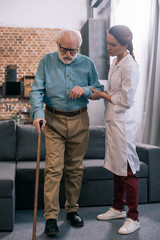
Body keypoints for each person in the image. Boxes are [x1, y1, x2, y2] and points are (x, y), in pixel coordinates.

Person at [29, 28, 104, 236]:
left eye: (74, 50)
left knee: (75, 169)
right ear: (57, 45)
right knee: (53, 169)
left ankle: (72, 210)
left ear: (78, 47)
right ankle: (51, 218)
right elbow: (36, 90)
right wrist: (37, 113)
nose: (69, 53)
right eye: (65, 49)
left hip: (80, 120)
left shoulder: (87, 63)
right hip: (53, 121)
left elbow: (99, 90)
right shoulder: (47, 61)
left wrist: (86, 90)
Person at [89, 25, 140, 235]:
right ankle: (118, 208)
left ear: (124, 45)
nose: (108, 47)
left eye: (113, 44)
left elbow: (126, 100)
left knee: (127, 170)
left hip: (123, 125)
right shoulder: (115, 62)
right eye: (107, 43)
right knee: (116, 168)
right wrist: (100, 92)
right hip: (113, 121)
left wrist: (103, 96)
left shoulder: (130, 66)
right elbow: (115, 92)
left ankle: (133, 217)